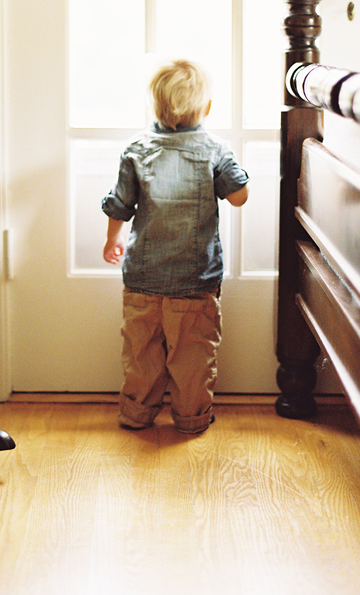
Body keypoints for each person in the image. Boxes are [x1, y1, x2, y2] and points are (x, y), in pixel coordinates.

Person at [101, 59, 249, 435]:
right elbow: (239, 198)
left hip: (142, 279)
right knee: (193, 357)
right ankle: (191, 418)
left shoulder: (137, 149)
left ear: (155, 106)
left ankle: (136, 415)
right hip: (194, 279)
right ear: (207, 108)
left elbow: (120, 204)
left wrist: (112, 238)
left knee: (141, 355)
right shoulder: (213, 149)